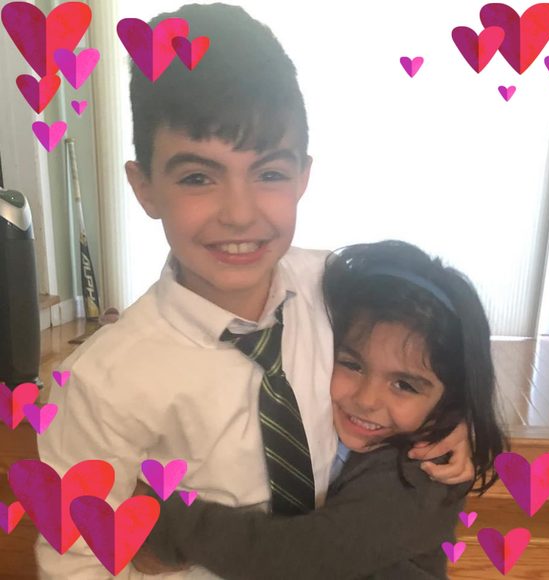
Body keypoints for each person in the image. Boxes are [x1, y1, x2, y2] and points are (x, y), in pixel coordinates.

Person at [36, 4, 473, 578]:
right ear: (145, 189)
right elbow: (76, 559)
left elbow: (433, 345)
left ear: (303, 176)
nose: (240, 214)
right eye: (198, 177)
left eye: (269, 173)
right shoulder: (100, 383)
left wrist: (452, 418)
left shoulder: (339, 289)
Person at [134, 240, 508, 579]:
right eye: (352, 364)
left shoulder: (419, 477)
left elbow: (294, 557)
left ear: (448, 399)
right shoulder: (318, 412)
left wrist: (165, 522)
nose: (367, 399)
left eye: (404, 385)